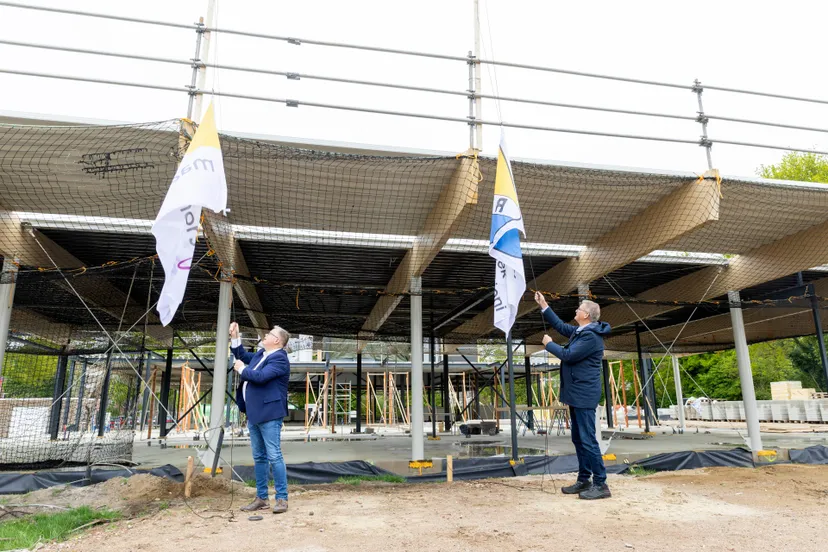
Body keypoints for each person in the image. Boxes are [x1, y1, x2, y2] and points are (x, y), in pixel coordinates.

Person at [534, 291, 612, 500]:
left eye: (579, 309)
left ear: (586, 315)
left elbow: (568, 355)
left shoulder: (590, 337)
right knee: (579, 439)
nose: (576, 311)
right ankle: (584, 479)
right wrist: (544, 305)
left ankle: (601, 484)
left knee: (588, 440)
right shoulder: (581, 331)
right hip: (577, 394)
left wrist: (549, 344)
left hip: (584, 395)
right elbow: (561, 326)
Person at [229, 321, 291, 514]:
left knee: (274, 455)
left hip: (270, 413)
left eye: (269, 334)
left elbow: (261, 377)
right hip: (254, 413)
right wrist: (235, 337)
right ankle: (262, 498)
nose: (265, 335)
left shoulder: (279, 359)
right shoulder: (261, 354)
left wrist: (241, 369)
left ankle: (281, 498)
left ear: (277, 340)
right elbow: (242, 355)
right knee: (259, 456)